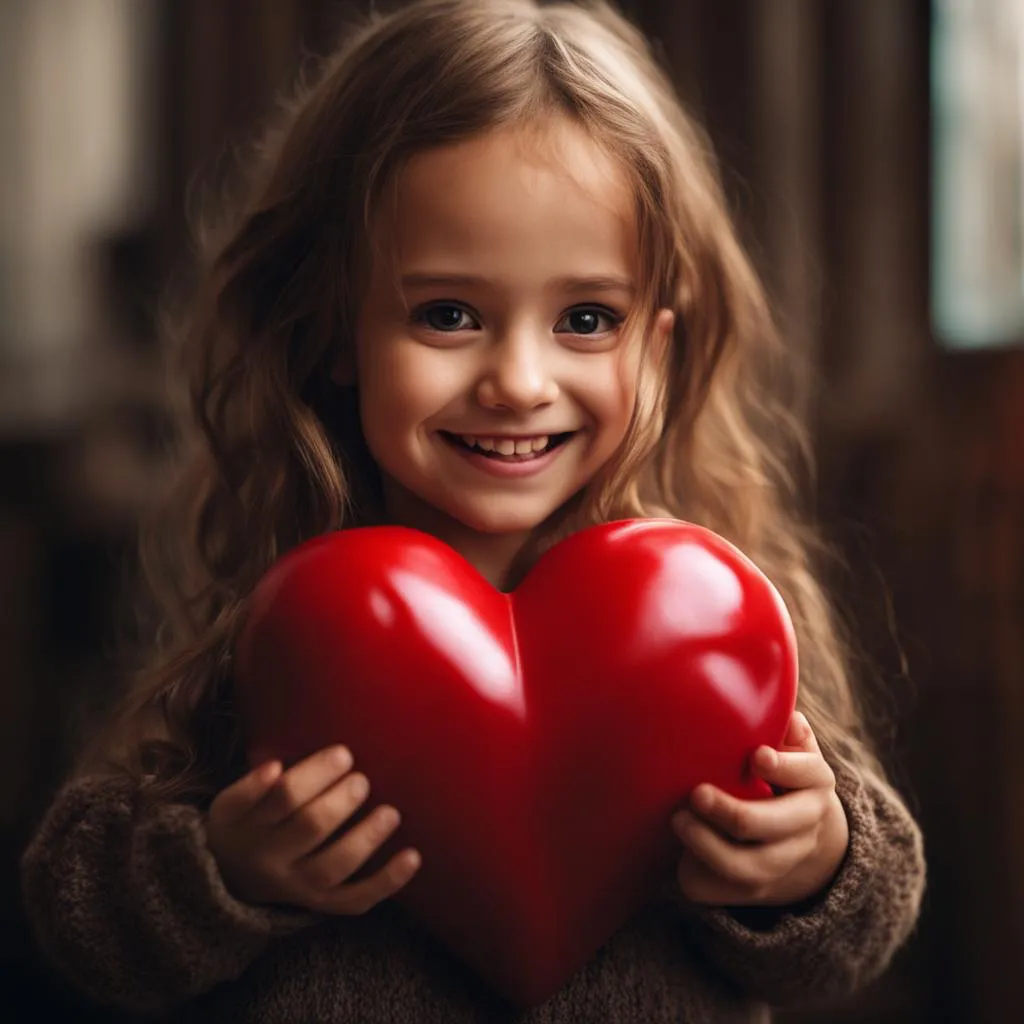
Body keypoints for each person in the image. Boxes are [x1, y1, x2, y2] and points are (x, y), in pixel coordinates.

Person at [20, 1, 926, 1021]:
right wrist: (223, 868)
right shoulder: (286, 638)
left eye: (586, 319)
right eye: (447, 314)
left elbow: (857, 933)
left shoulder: (713, 625)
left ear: (655, 351)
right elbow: (74, 913)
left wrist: (817, 862)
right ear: (333, 331)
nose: (518, 380)